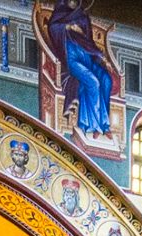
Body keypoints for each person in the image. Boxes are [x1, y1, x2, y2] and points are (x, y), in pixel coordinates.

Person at [44, 0, 117, 138]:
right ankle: (96, 126)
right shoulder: (59, 14)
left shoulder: (83, 17)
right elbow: (53, 29)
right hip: (71, 59)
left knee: (106, 80)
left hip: (87, 58)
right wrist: (69, 27)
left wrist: (102, 57)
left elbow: (89, 42)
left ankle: (102, 126)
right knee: (93, 82)